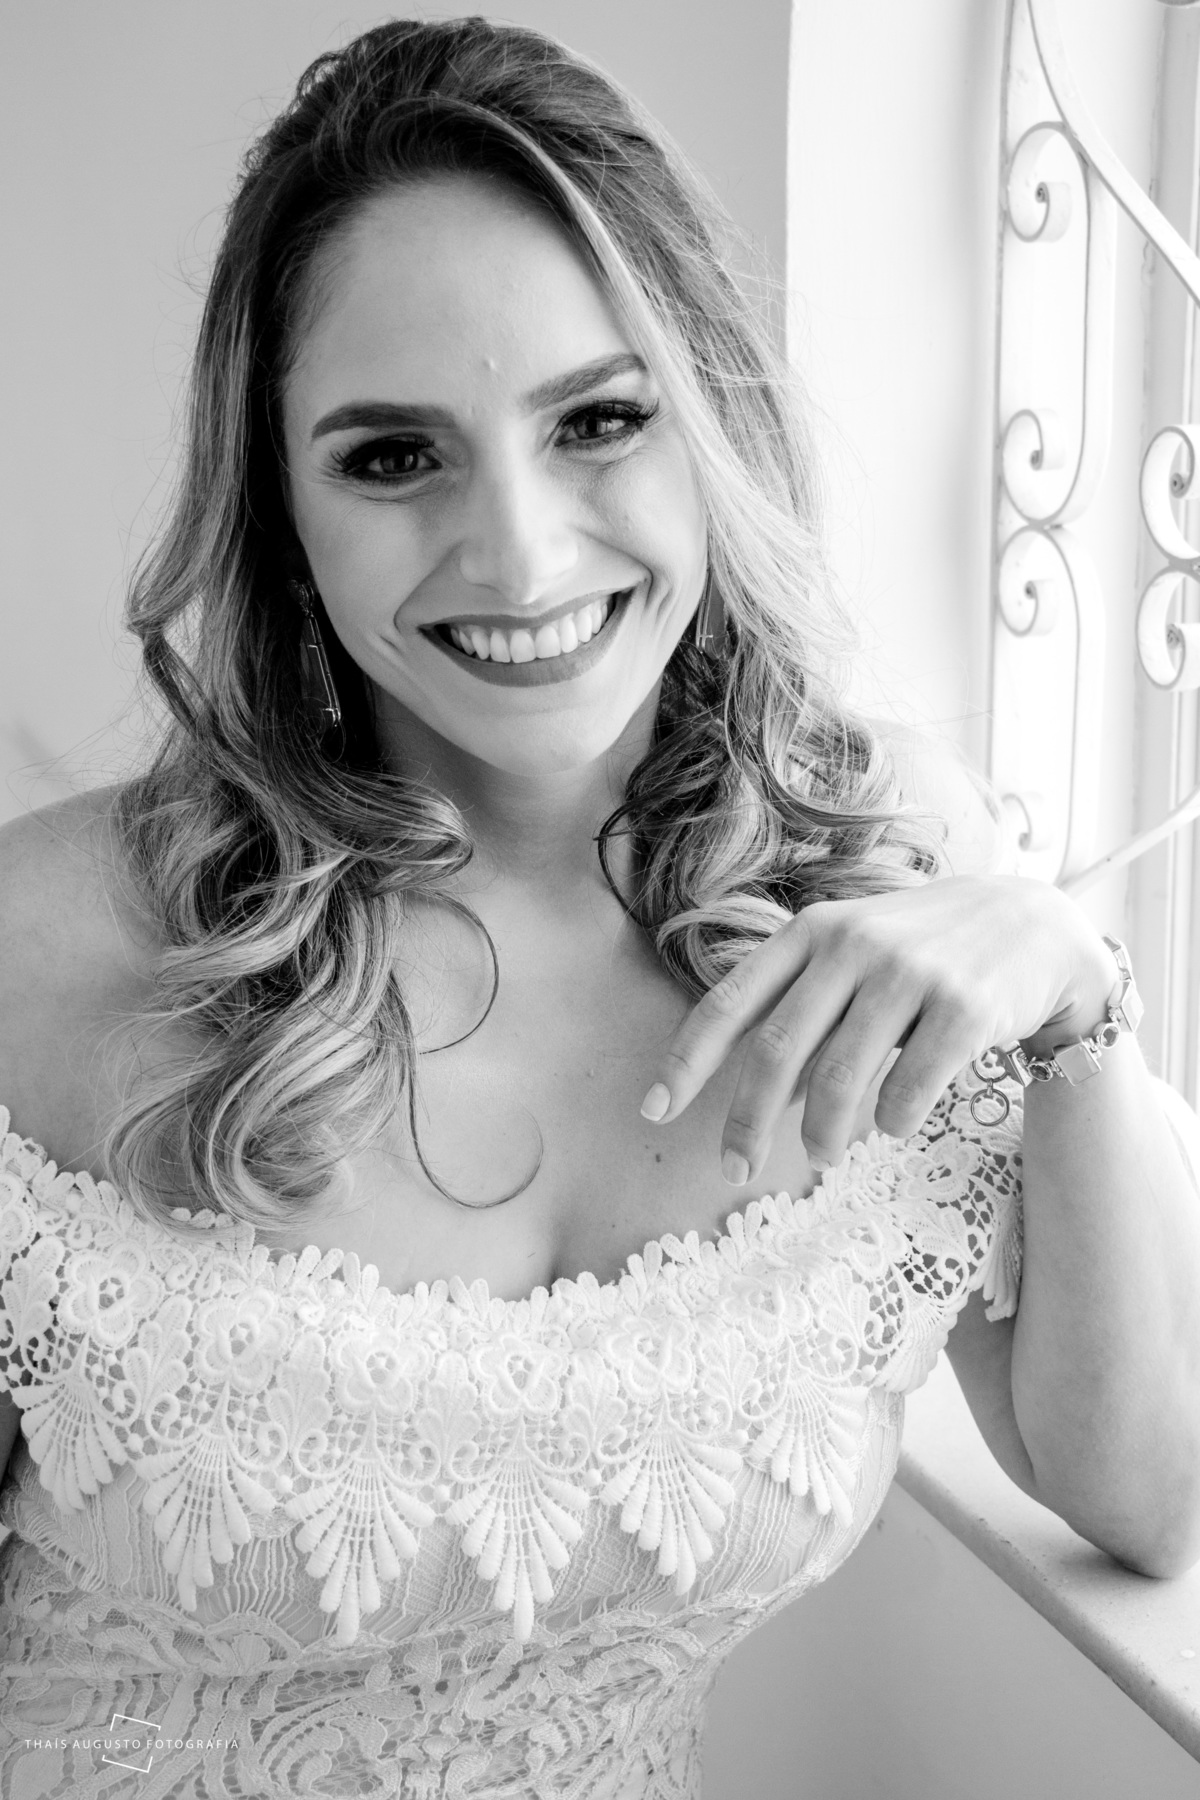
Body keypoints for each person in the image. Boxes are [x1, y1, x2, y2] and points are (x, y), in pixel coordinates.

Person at [1, 16, 1198, 1798]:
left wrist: (1078, 994)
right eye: (391, 456)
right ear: (280, 509)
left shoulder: (880, 858)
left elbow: (1149, 1491)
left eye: (600, 421)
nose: (522, 554)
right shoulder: (44, 949)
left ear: (708, 418)